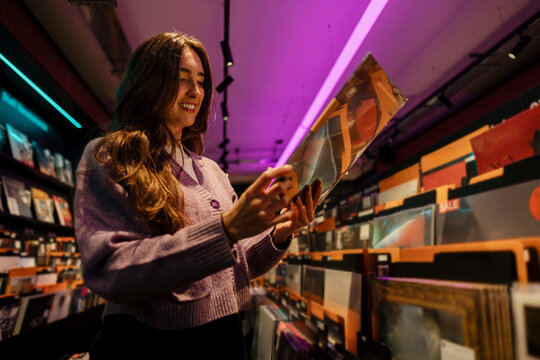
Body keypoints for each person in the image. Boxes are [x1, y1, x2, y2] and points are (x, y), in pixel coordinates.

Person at [74, 31, 321, 359]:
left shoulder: (213, 172)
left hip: (222, 337)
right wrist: (227, 229)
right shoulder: (109, 156)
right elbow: (111, 269)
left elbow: (237, 264)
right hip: (148, 344)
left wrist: (280, 232)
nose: (196, 92)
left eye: (202, 81)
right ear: (150, 82)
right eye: (182, 79)